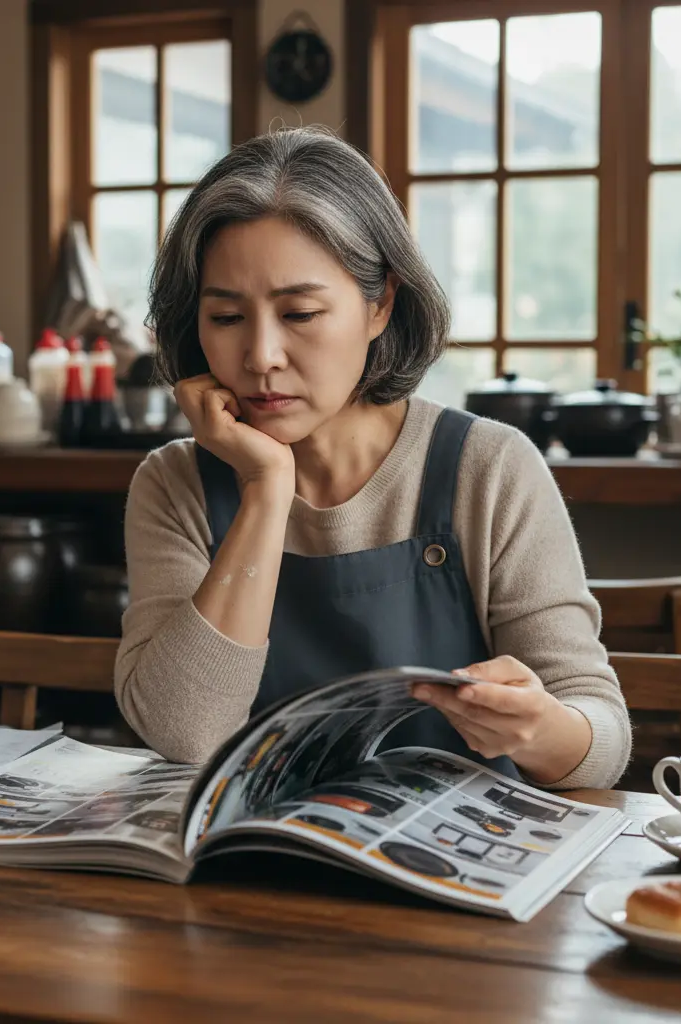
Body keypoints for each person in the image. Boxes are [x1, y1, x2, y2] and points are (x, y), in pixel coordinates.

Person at [114, 126, 631, 789]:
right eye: (226, 318)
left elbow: (603, 743)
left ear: (380, 303)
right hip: (251, 876)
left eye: (299, 313)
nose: (261, 356)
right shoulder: (174, 483)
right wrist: (267, 486)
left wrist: (541, 727)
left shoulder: (490, 468)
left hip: (451, 873)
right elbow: (184, 731)